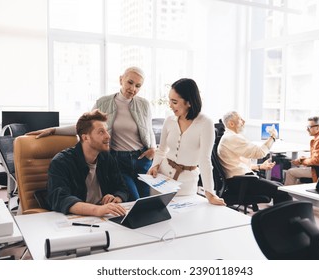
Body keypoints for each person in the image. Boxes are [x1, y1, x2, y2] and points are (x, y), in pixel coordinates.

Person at [28, 66, 156, 201]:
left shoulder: (144, 104)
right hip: (118, 160)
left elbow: (149, 130)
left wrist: (153, 148)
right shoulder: (103, 102)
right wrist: (54, 130)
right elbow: (86, 126)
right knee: (133, 200)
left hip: (141, 159)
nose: (133, 89)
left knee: (146, 201)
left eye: (138, 86)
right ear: (121, 80)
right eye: (130, 82)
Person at [147, 78, 225, 205]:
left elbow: (205, 160)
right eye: (170, 101)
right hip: (161, 179)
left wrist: (209, 193)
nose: (170, 105)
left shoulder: (205, 123)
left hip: (186, 184)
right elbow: (161, 150)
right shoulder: (169, 120)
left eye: (174, 102)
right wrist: (154, 166)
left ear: (189, 102)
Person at [47, 109, 128, 216]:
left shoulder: (106, 158)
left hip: (103, 217)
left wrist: (116, 198)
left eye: (106, 131)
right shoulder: (61, 162)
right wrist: (97, 210)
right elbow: (60, 198)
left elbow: (122, 188)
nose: (108, 136)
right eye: (101, 132)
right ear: (85, 137)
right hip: (75, 218)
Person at [217, 111, 292, 205]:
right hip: (241, 182)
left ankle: (282, 218)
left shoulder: (229, 137)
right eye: (240, 119)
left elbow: (236, 165)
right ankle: (282, 219)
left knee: (280, 186)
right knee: (283, 191)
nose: (243, 121)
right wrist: (273, 137)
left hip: (240, 180)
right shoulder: (231, 138)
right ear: (231, 124)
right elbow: (260, 152)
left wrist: (260, 167)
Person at [284, 116, 319, 185]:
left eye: (309, 127)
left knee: (290, 172)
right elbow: (318, 158)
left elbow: (316, 162)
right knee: (299, 172)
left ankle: (285, 195)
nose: (307, 129)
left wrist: (301, 161)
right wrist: (303, 160)